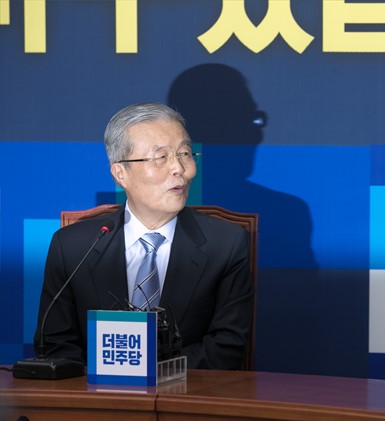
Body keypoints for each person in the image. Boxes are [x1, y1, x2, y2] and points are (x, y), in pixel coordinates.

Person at [34, 102, 253, 370]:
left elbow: (227, 348)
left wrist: (144, 372)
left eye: (184, 154)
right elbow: (56, 345)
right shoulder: (72, 247)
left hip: (188, 391)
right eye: (160, 157)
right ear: (120, 173)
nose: (179, 169)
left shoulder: (225, 244)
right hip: (96, 394)